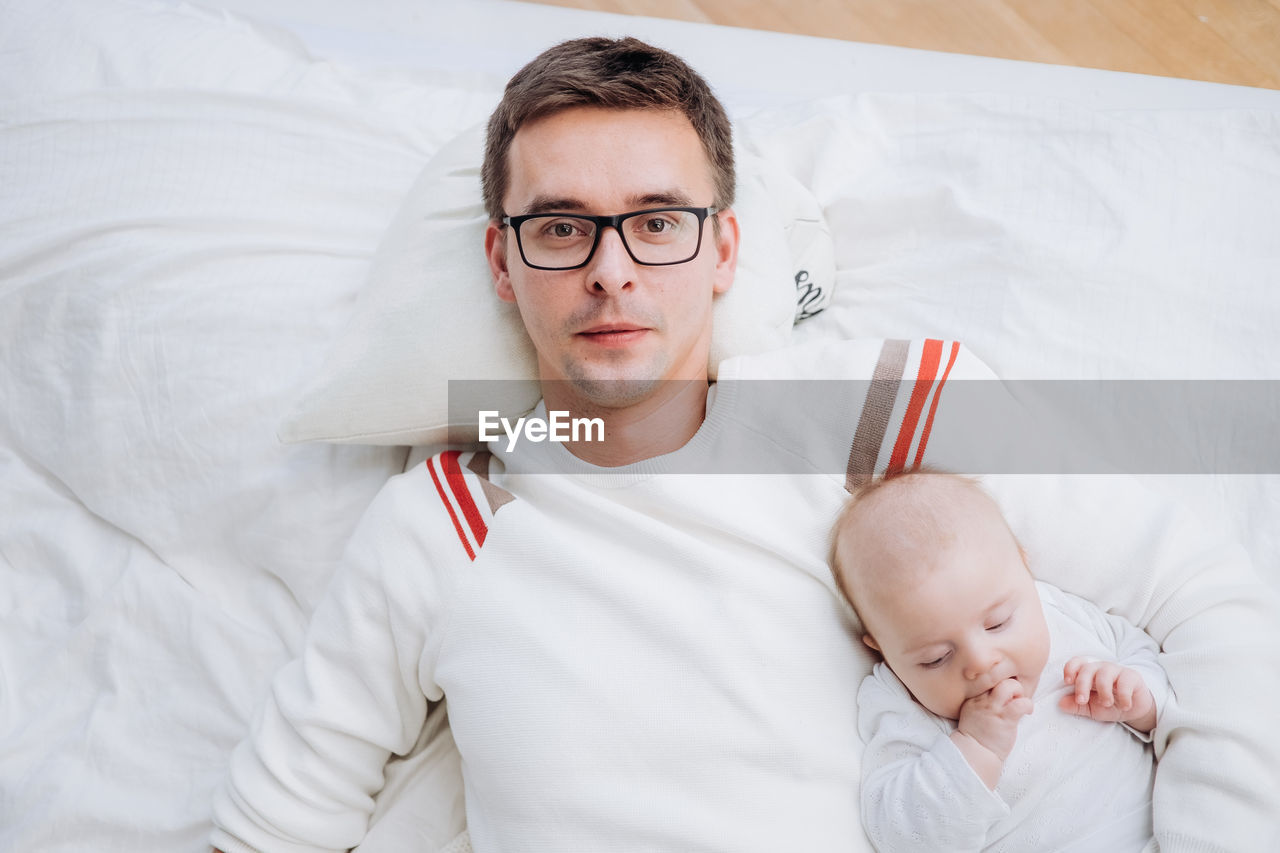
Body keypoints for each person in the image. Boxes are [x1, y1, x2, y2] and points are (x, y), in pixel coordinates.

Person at [211, 35, 1280, 853]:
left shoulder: (873, 414)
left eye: (658, 220)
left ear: (724, 248)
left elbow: (1201, 598)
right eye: (560, 226)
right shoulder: (444, 524)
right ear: (503, 264)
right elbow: (274, 821)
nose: (611, 270)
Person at [831, 469, 1171, 852]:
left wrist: (1138, 698)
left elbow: (1154, 662)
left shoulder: (1057, 611)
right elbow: (900, 834)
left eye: (997, 623)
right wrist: (976, 747)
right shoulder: (898, 700)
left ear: (1024, 568)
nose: (981, 662)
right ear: (882, 648)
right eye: (936, 658)